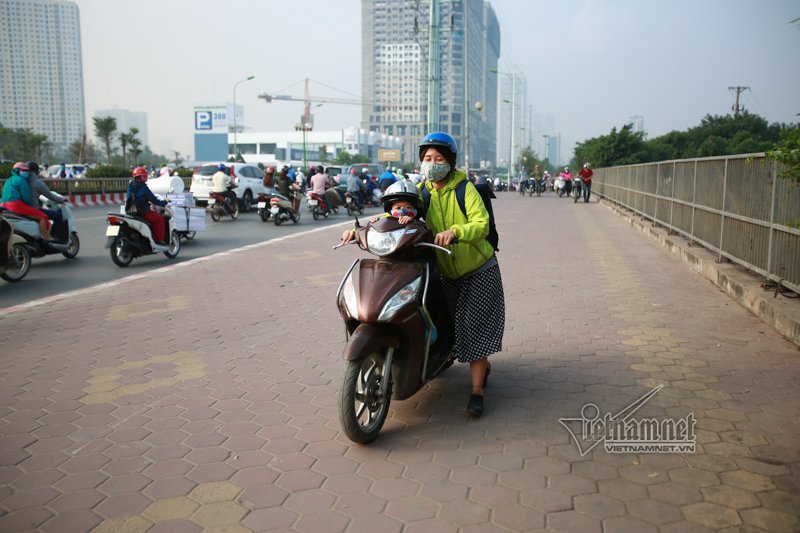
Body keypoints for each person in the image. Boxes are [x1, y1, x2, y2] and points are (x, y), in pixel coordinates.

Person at [418, 132, 505, 417]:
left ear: (451, 162)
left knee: (473, 328)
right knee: (453, 327)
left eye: (438, 159)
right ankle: (480, 364)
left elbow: (481, 223)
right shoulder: (423, 191)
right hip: (445, 273)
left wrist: (456, 231)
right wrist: (365, 230)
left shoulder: (464, 188)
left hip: (478, 269)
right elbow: (398, 210)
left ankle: (477, 392)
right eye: (428, 159)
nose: (433, 164)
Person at [1, 162, 55, 241]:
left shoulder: (8, 180)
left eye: (26, 171)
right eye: (23, 170)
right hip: (16, 205)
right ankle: (46, 237)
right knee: (43, 217)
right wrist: (31, 206)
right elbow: (26, 197)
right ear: (17, 170)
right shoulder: (22, 181)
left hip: (5, 206)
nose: (26, 172)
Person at [26, 161, 67, 241]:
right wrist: (61, 200)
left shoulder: (22, 181)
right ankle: (53, 238)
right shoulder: (36, 182)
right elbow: (49, 195)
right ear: (36, 170)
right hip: (33, 209)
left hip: (20, 209)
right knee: (58, 216)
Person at [127, 167, 168, 243]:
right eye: (144, 176)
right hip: (143, 213)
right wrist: (164, 202)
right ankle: (158, 240)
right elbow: (154, 201)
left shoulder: (130, 186)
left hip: (130, 212)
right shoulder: (143, 187)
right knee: (159, 219)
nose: (146, 178)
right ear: (139, 177)